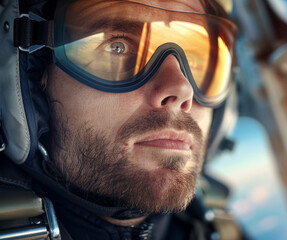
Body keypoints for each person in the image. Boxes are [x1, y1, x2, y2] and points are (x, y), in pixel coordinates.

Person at [0, 0, 238, 239]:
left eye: (197, 61)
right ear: (31, 82)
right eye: (117, 47)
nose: (181, 88)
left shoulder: (219, 228)